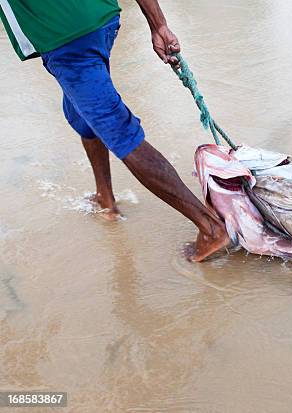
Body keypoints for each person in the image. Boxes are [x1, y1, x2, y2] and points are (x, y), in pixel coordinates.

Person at [0, 0, 230, 261]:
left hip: (65, 39)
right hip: (102, 20)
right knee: (81, 114)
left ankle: (211, 229)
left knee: (119, 132)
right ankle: (105, 197)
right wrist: (159, 26)